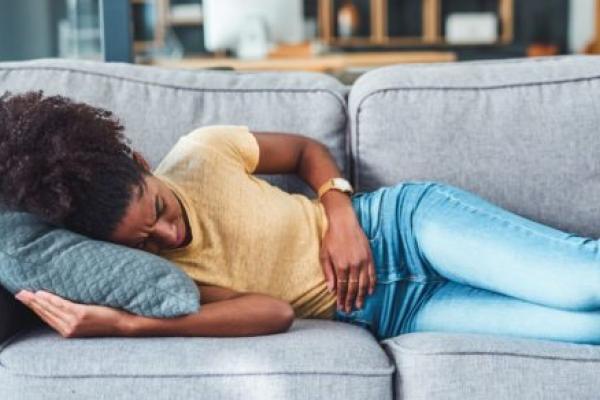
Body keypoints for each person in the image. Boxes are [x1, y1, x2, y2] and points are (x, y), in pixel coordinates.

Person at [3, 91, 600, 344]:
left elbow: (307, 151)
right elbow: (276, 311)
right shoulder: (150, 277)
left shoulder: (204, 150)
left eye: (158, 209)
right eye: (149, 239)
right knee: (586, 330)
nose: (169, 234)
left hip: (402, 229)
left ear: (139, 162)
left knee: (580, 284)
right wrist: (130, 327)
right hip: (395, 312)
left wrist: (339, 216)